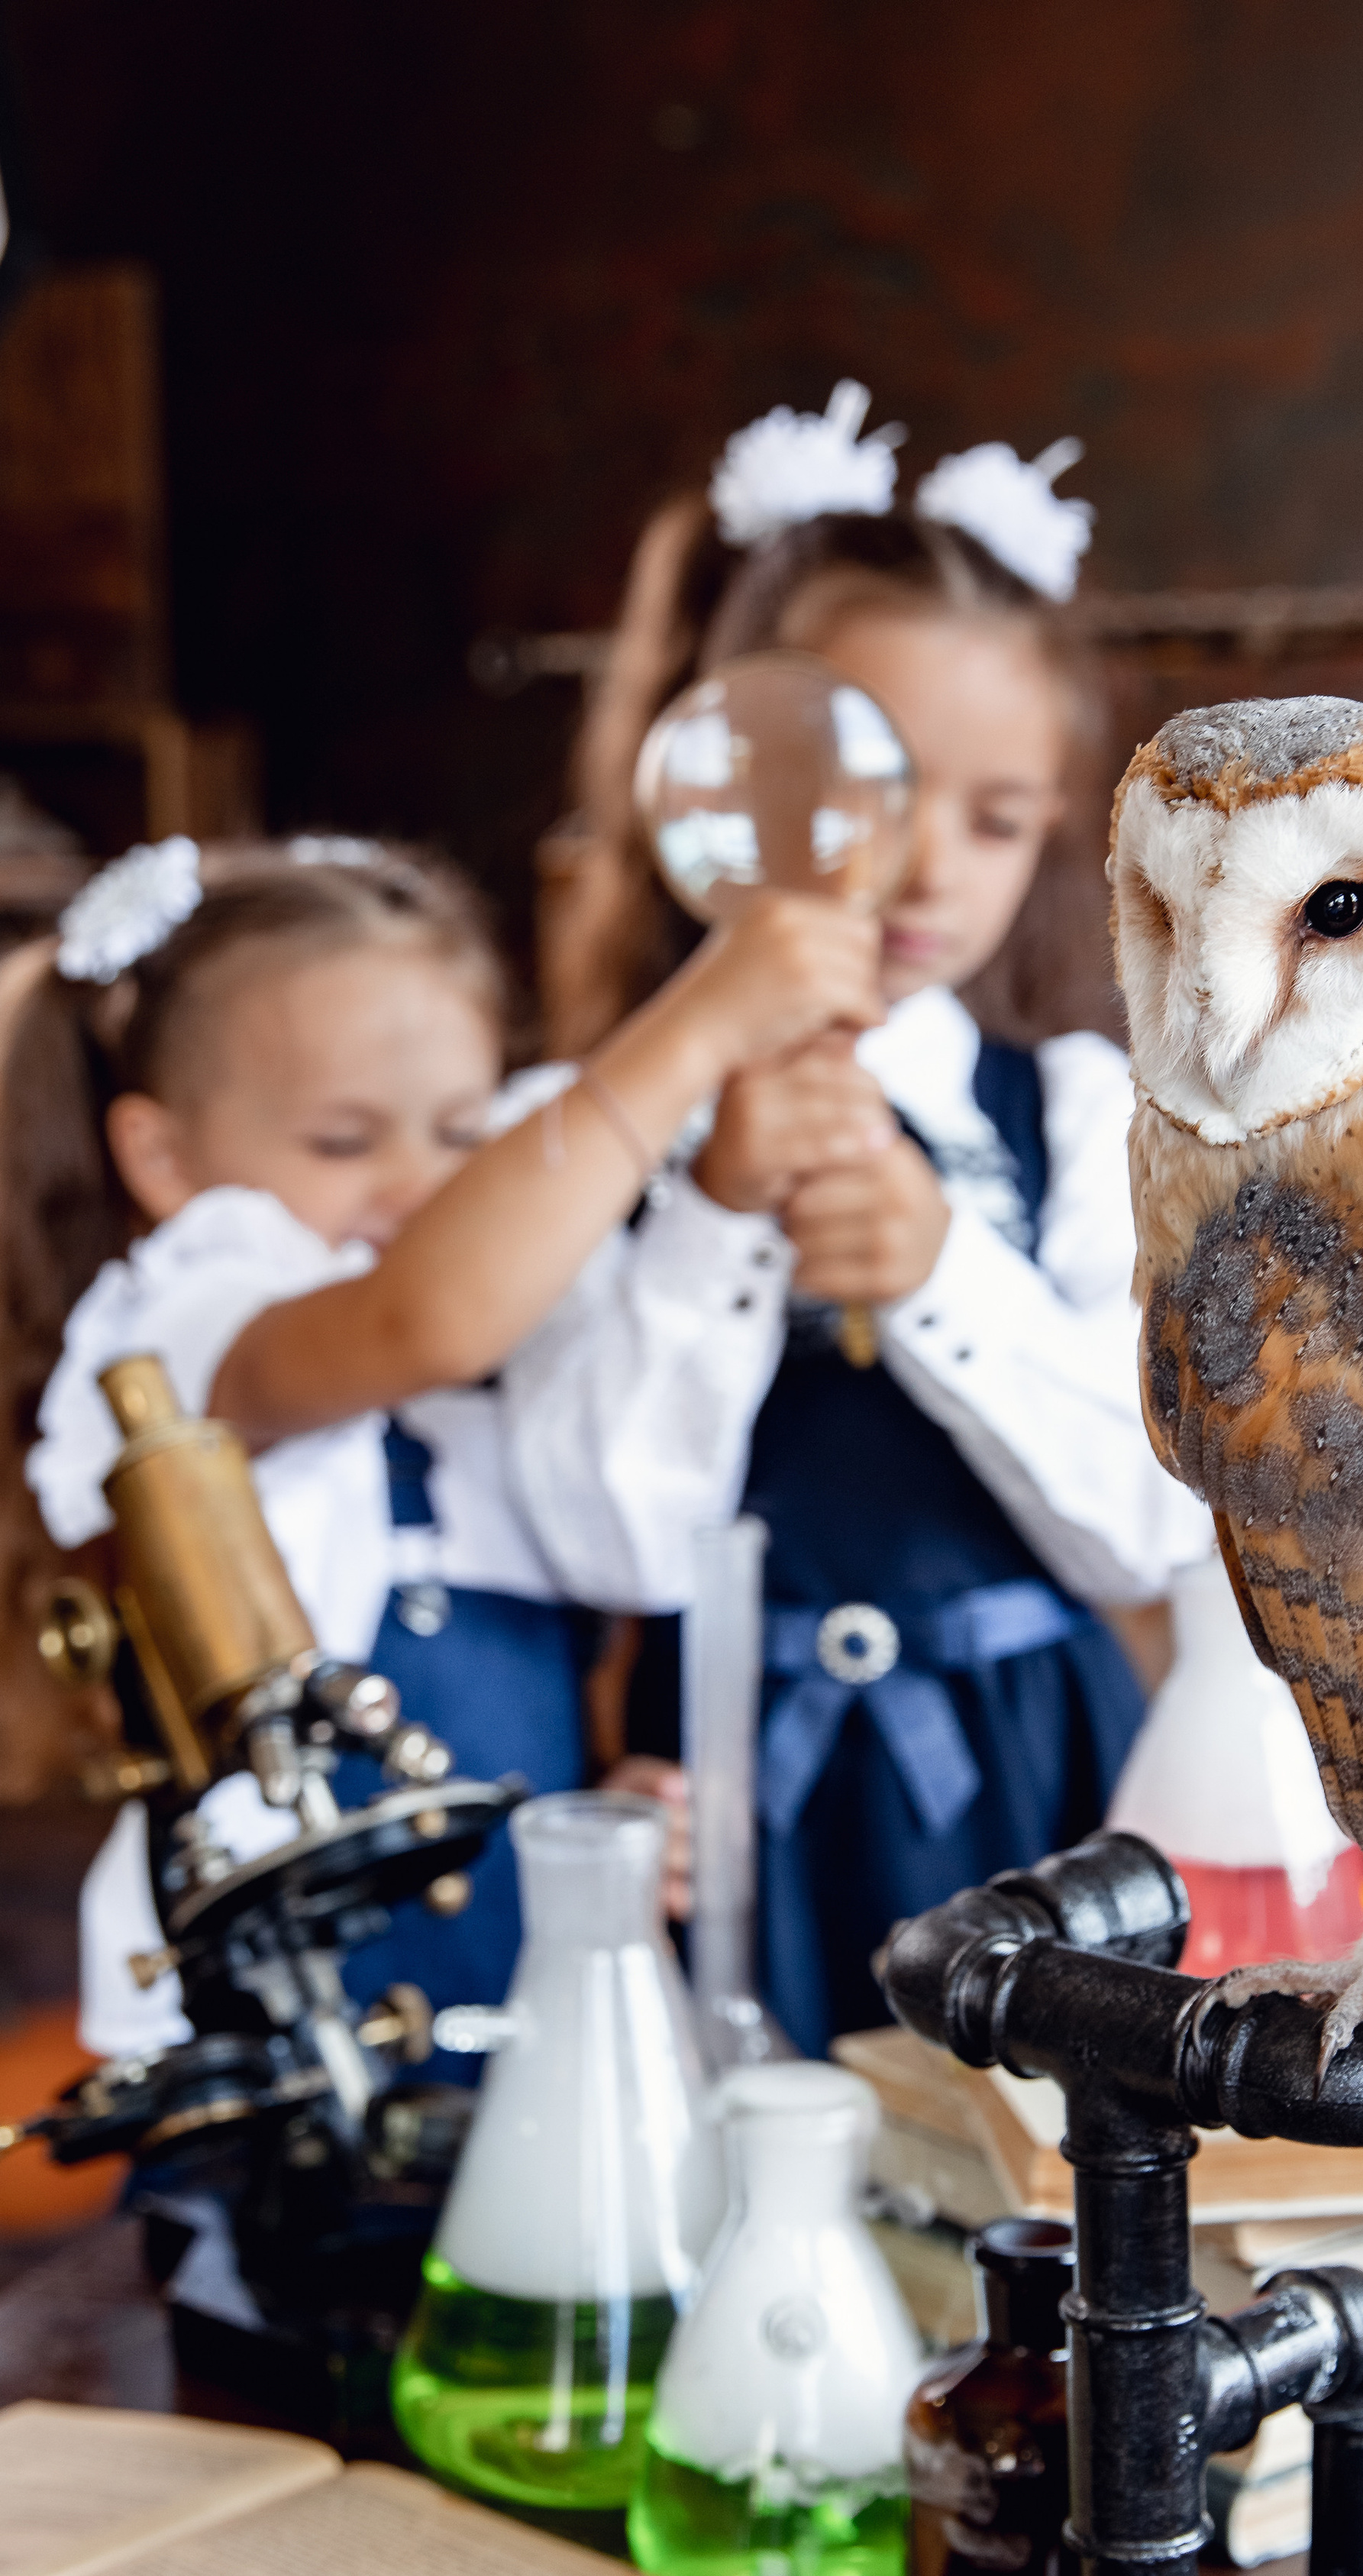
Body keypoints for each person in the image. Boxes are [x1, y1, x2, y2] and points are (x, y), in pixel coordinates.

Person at [508, 387, 1216, 2057]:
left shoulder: (1073, 1115)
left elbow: (1146, 1520)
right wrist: (712, 1213)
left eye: (992, 817)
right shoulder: (612, 1122)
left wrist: (935, 1271)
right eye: (871, 783)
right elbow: (602, 1540)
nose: (924, 873)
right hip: (729, 1793)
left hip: (1031, 1786)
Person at [8, 832, 882, 2058]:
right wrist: (693, 1034)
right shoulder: (186, 1323)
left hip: (515, 2001)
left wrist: (591, 1813)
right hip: (296, 2029)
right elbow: (422, 1315)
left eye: (464, 1135)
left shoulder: (498, 1364)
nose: (422, 1188)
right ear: (159, 1155)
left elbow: (626, 1561)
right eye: (344, 1141)